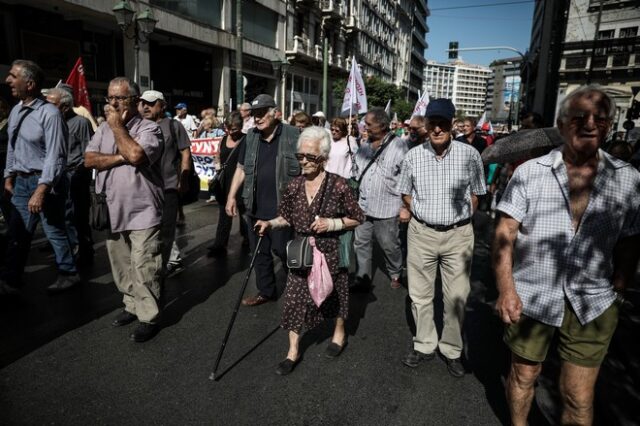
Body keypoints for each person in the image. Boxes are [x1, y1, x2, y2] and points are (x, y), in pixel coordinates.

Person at [493, 85, 640, 425]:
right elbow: (504, 233)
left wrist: (620, 283)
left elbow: (632, 238)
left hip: (594, 302)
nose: (590, 124)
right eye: (579, 117)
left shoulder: (628, 179)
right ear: (561, 125)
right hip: (531, 296)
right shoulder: (530, 172)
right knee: (523, 376)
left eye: (600, 119)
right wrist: (506, 289)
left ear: (608, 126)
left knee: (578, 395)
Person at [255, 126, 364, 375]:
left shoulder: (339, 185)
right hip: (301, 251)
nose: (303, 161)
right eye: (300, 156)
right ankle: (292, 350)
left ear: (323, 158)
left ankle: (339, 333)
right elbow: (286, 217)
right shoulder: (293, 186)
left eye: (310, 157)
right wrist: (269, 223)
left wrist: (332, 223)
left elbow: (359, 217)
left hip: (331, 251)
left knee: (336, 294)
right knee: (293, 299)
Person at [397, 98, 486, 378]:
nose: (437, 129)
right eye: (432, 123)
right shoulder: (412, 156)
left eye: (443, 124)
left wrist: (459, 219)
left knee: (456, 297)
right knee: (420, 295)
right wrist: (422, 214)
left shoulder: (470, 155)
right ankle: (424, 344)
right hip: (421, 232)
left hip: (458, 235)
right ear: (425, 125)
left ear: (452, 126)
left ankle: (451, 350)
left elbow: (476, 194)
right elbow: (405, 192)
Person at [85, 77, 164, 342]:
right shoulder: (102, 130)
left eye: (120, 98)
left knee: (144, 266)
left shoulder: (148, 129)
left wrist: (118, 127)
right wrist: (120, 158)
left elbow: (137, 155)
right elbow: (89, 159)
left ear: (134, 101)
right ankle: (131, 305)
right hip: (112, 210)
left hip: (143, 211)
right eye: (110, 98)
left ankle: (148, 316)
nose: (114, 103)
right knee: (122, 267)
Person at [1, 59, 79, 294]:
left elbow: (55, 156)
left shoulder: (50, 114)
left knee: (53, 229)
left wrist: (41, 189)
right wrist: (9, 176)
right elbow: (13, 147)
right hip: (22, 182)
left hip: (46, 182)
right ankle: (11, 280)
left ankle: (69, 273)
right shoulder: (16, 110)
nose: (8, 80)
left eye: (13, 76)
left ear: (30, 83)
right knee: (17, 232)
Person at [226, 94, 300, 306]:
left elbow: (307, 169)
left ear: (275, 114)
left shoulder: (293, 135)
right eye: (255, 114)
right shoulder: (251, 137)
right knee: (259, 253)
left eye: (261, 114)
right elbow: (241, 169)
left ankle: (298, 286)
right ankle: (266, 291)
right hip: (254, 206)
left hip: (282, 210)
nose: (257, 119)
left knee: (283, 250)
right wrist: (232, 196)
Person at [352, 107, 408, 291]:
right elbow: (357, 171)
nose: (365, 127)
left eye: (369, 124)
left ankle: (395, 271)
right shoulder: (364, 145)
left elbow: (407, 178)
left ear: (383, 125)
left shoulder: (399, 145)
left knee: (389, 245)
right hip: (363, 205)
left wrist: (404, 207)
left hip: (388, 208)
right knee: (361, 243)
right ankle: (362, 277)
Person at [138, 90, 192, 277]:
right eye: (143, 103)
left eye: (151, 103)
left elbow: (185, 152)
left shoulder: (173, 125)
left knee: (166, 232)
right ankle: (151, 265)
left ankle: (163, 267)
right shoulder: (137, 126)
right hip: (143, 189)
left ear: (162, 106)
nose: (145, 107)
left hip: (168, 187)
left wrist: (183, 179)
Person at [45, 87, 95, 266]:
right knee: (62, 217)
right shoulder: (52, 122)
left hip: (76, 177)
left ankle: (84, 251)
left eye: (52, 104)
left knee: (78, 217)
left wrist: (78, 174)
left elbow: (88, 153)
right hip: (57, 177)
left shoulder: (81, 123)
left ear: (65, 106)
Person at [207, 111, 248, 256]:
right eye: (228, 128)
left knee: (244, 214)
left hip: (240, 181)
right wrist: (217, 167)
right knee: (224, 215)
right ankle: (220, 244)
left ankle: (248, 238)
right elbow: (217, 156)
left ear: (241, 127)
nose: (231, 132)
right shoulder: (223, 139)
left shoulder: (246, 140)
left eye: (234, 129)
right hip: (224, 182)